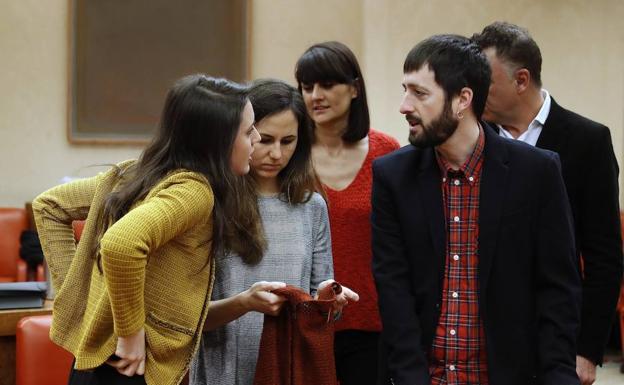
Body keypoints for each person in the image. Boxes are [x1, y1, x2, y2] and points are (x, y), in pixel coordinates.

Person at [371, 34, 581, 384]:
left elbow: (558, 289)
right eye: (405, 90)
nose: (404, 106)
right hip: (424, 376)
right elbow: (394, 291)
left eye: (420, 93)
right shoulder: (393, 176)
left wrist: (559, 375)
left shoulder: (537, 172)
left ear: (462, 99)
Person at [32, 74, 262, 385]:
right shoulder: (194, 191)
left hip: (97, 366)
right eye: (249, 131)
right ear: (218, 141)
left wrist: (90, 302)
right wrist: (129, 332)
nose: (257, 139)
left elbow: (49, 205)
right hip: (128, 368)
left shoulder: (136, 174)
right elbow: (121, 244)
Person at [471, 22, 623, 385]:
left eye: (485, 83)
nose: (473, 93)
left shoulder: (587, 141)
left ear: (521, 80)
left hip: (557, 335)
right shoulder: (475, 140)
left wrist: (587, 350)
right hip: (484, 337)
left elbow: (604, 256)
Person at [189, 78, 358, 385]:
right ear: (241, 135)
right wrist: (243, 303)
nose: (277, 155)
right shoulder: (209, 201)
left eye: (288, 141)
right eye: (265, 140)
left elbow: (323, 313)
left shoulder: (312, 206)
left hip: (290, 368)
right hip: (225, 370)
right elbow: (187, 317)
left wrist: (327, 300)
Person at [294, 41, 400, 385]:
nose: (315, 96)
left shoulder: (387, 151)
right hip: (303, 317)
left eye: (327, 85)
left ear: (354, 88)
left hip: (371, 321)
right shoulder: (290, 154)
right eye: (307, 87)